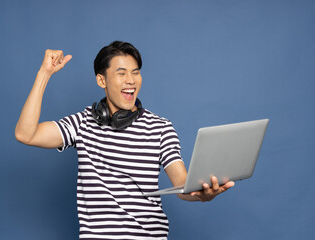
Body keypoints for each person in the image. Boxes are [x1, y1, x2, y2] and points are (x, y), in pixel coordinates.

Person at [15, 41, 235, 239]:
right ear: (102, 80)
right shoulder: (82, 123)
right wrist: (44, 73)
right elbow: (26, 134)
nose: (131, 80)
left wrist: (203, 195)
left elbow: (182, 185)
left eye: (136, 72)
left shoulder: (161, 128)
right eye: (121, 73)